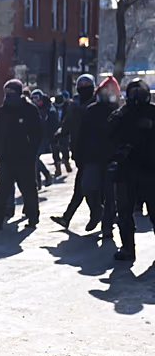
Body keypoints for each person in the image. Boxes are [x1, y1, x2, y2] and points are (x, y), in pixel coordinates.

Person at [0, 79, 45, 230]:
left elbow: (37, 134)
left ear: (18, 92)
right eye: (6, 92)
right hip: (5, 157)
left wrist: (32, 152)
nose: (8, 95)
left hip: (24, 158)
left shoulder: (29, 109)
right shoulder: (3, 111)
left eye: (12, 92)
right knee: (2, 189)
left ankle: (32, 217)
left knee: (28, 189)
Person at [73, 77, 122, 243]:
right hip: (92, 157)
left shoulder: (119, 110)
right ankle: (96, 211)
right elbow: (82, 134)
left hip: (112, 159)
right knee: (87, 187)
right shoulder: (91, 110)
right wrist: (78, 154)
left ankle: (107, 227)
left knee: (110, 196)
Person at [111, 78, 155, 261]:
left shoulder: (152, 112)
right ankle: (128, 248)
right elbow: (110, 133)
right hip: (127, 169)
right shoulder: (123, 112)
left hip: (150, 169)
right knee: (124, 211)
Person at [52, 75, 99, 230]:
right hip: (79, 150)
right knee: (82, 187)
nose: (83, 87)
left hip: (94, 151)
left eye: (87, 84)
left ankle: (95, 214)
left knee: (84, 187)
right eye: (81, 84)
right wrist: (61, 133)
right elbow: (67, 123)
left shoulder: (97, 103)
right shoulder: (74, 105)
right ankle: (71, 217)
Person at [30, 90, 57, 188]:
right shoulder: (32, 108)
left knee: (35, 157)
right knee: (33, 158)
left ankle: (47, 175)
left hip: (45, 136)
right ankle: (37, 181)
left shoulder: (49, 108)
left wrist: (51, 135)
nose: (35, 101)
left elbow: (54, 123)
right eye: (32, 99)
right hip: (34, 136)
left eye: (36, 98)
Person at [52, 91, 73, 177]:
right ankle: (58, 169)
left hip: (64, 130)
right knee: (55, 149)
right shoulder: (52, 107)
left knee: (64, 147)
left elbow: (69, 118)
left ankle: (66, 161)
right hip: (54, 130)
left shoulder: (68, 106)